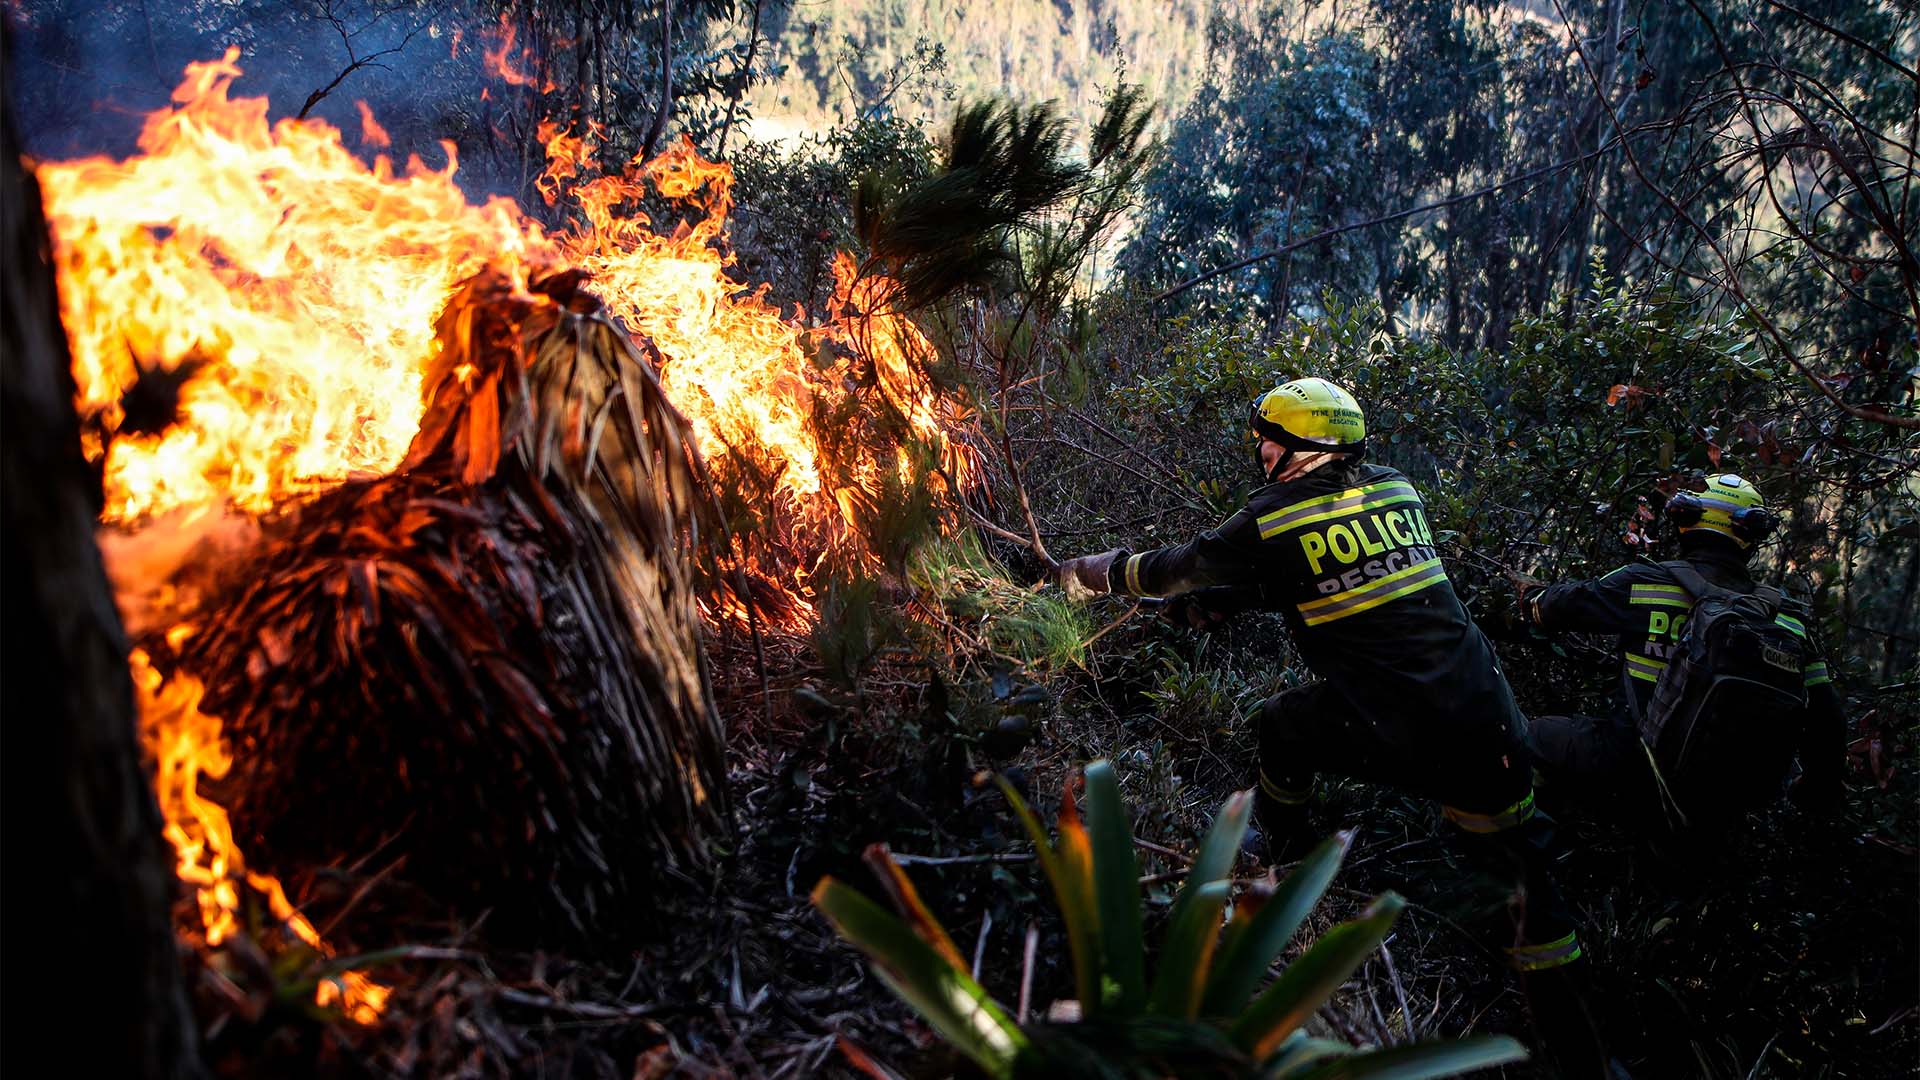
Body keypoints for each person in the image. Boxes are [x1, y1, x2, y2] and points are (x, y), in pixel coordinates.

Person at [1057, 377, 1610, 1076]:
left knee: (1286, 727)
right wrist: (1231, 601)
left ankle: (1281, 849)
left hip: (1403, 723)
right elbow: (1322, 570)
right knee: (1527, 891)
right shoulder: (1395, 489)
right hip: (1488, 717)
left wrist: (1096, 572)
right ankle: (1584, 1054)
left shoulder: (1274, 514)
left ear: (1303, 450)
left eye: (1272, 439)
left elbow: (1178, 571)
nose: (1260, 449)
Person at [1513, 472, 1845, 846]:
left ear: (1685, 519)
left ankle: (1527, 863)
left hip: (1634, 766)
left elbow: (1557, 608)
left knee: (1529, 739)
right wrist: (1816, 793)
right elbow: (1827, 722)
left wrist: (1530, 599)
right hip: (1730, 802)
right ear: (1751, 535)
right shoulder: (1791, 619)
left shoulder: (1644, 581)